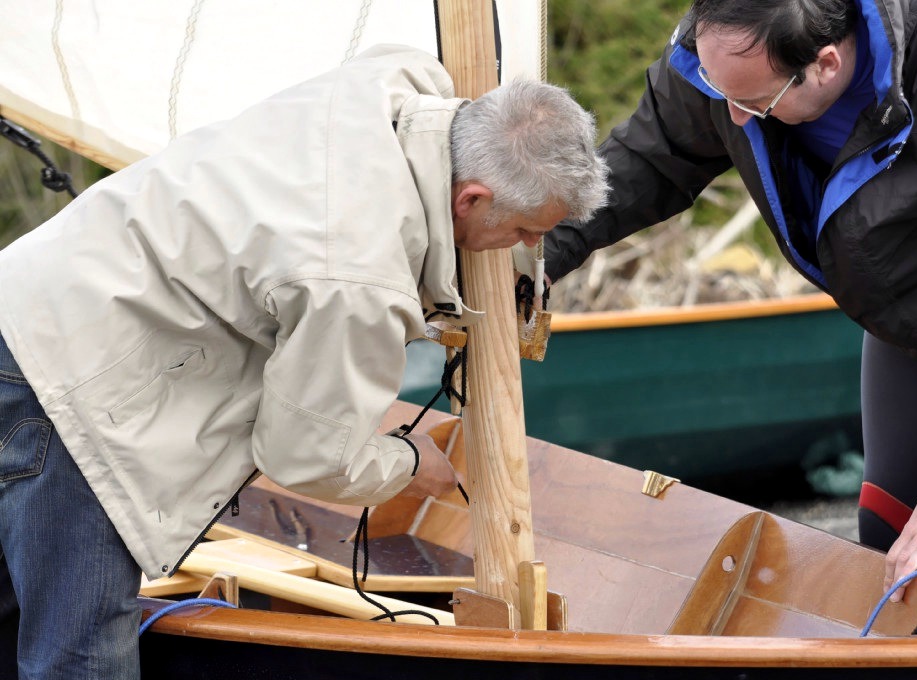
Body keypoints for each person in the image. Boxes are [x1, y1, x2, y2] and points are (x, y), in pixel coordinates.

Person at [0, 43, 608, 679]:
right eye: (524, 232)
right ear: (471, 199)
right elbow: (302, 455)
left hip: (29, 299)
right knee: (81, 648)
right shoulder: (356, 277)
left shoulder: (391, 81)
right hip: (73, 383)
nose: (531, 247)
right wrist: (407, 463)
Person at [541, 0, 917, 603]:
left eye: (754, 103)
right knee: (889, 554)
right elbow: (646, 160)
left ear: (825, 64)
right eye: (722, 95)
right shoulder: (727, 55)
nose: (735, 120)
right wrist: (532, 256)